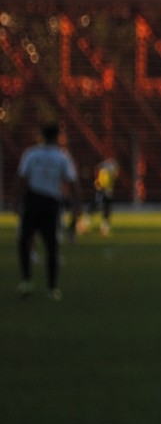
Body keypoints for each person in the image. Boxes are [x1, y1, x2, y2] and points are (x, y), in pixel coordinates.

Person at [16, 123, 78, 299]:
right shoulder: (62, 157)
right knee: (52, 245)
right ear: (58, 136)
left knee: (25, 241)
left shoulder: (31, 154)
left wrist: (14, 200)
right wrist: (77, 204)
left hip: (32, 201)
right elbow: (72, 183)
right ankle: (52, 287)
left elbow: (21, 179)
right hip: (51, 203)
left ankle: (26, 281)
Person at [80, 155, 119, 237]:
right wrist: (98, 182)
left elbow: (112, 178)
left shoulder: (111, 166)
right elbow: (98, 170)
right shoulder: (106, 167)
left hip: (107, 191)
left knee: (106, 209)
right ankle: (84, 224)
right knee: (95, 207)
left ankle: (104, 228)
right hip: (101, 190)